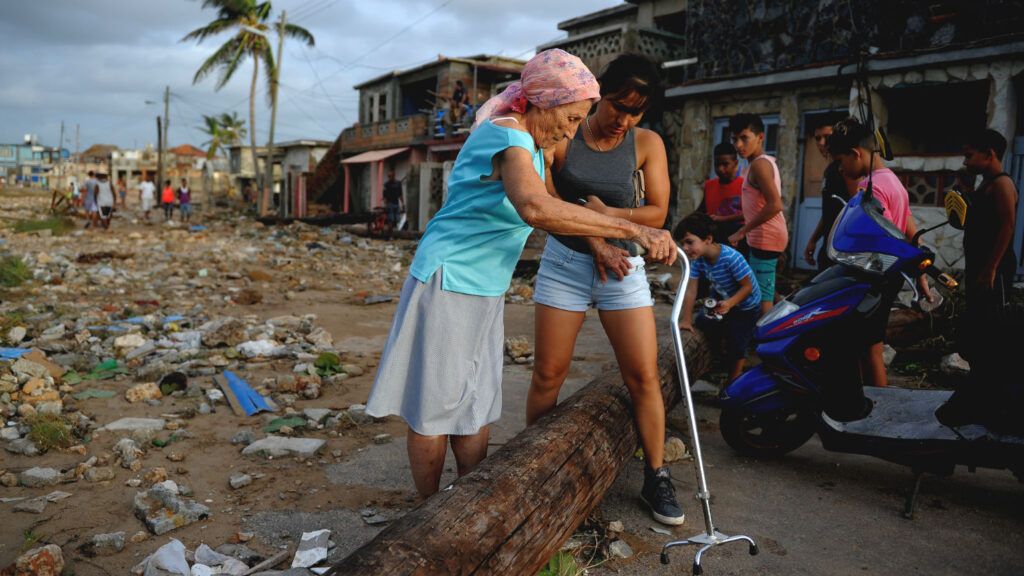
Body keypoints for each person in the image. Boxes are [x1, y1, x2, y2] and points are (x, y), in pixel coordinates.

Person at [365, 49, 676, 499]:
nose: (572, 131)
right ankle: (428, 511)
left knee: (474, 407)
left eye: (578, 120)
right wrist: (633, 229)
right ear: (544, 102)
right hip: (450, 280)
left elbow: (558, 207)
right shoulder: (508, 137)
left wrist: (611, 237)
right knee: (435, 410)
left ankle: (468, 502)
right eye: (569, 119)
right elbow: (536, 207)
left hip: (484, 287)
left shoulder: (533, 144)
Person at [525, 53, 683, 526]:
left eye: (636, 111)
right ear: (599, 94)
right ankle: (534, 469)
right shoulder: (565, 131)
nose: (624, 119)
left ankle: (656, 474)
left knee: (643, 376)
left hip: (623, 270)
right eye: (617, 105)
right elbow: (548, 199)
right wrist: (596, 233)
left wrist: (609, 218)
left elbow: (657, 213)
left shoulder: (646, 143)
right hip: (565, 263)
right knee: (548, 375)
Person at [826, 117, 932, 388]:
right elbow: (910, 228)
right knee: (869, 342)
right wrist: (920, 271)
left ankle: (875, 402)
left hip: (874, 277)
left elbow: (874, 237)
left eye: (840, 161)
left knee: (869, 346)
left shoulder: (868, 187)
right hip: (891, 274)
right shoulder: (894, 181)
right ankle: (870, 399)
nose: (840, 169)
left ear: (855, 153)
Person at [937, 129, 1019, 428]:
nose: (966, 160)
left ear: (990, 154)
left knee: (989, 330)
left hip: (992, 272)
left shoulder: (1002, 184)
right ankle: (980, 395)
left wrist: (992, 268)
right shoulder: (983, 185)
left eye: (970, 155)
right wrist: (962, 192)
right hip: (979, 269)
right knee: (978, 330)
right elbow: (969, 223)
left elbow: (1008, 226)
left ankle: (991, 400)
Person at [675, 212, 760, 383]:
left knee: (737, 342)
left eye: (689, 242)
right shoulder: (697, 261)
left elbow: (748, 287)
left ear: (707, 239)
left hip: (746, 305)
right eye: (682, 243)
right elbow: (691, 290)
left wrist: (730, 304)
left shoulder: (731, 258)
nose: (684, 248)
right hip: (723, 297)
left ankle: (733, 380)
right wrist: (685, 320)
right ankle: (717, 357)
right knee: (702, 322)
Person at [727, 113, 787, 315]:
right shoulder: (755, 164)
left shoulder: (760, 165)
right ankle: (785, 320)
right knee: (766, 285)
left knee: (762, 296)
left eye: (745, 138)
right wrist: (726, 219)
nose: (738, 145)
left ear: (760, 137)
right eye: (735, 139)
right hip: (764, 236)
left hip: (766, 237)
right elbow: (755, 207)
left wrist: (742, 231)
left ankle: (765, 341)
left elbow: (775, 205)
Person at [803, 120, 856, 271]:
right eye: (818, 138)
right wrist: (814, 239)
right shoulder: (830, 169)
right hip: (828, 245)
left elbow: (857, 208)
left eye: (827, 136)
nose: (823, 143)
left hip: (843, 248)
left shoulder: (845, 168)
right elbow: (829, 211)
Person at [701, 142, 745, 247]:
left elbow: (751, 215)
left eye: (725, 164)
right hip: (715, 240)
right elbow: (703, 210)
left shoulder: (745, 186)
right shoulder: (709, 185)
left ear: (735, 163)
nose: (720, 169)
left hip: (738, 242)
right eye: (717, 164)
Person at [382, 169, 404, 233]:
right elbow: (384, 196)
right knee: (390, 219)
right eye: (388, 176)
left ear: (394, 176)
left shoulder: (398, 183)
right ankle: (390, 234)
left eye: (390, 176)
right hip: (389, 204)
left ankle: (397, 233)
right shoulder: (386, 184)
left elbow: (400, 194)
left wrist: (403, 204)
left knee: (398, 219)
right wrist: (386, 205)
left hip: (396, 203)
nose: (389, 177)